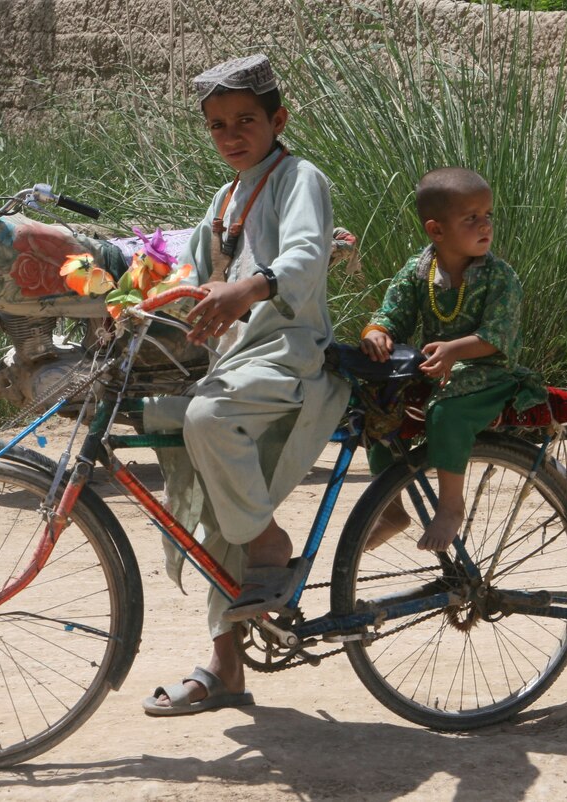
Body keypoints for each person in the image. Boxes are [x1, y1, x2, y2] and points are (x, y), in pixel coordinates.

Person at [140, 54, 349, 715]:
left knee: (205, 422)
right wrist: (130, 285)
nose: (231, 135)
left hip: (290, 360)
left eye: (245, 121)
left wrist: (247, 289)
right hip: (236, 366)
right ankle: (224, 668)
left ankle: (266, 541)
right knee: (185, 457)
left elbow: (308, 255)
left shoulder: (299, 179)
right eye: (217, 125)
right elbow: (189, 267)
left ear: (277, 120)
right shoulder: (224, 199)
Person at [360, 167, 546, 551]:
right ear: (436, 231)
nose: (485, 226)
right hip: (436, 368)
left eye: (488, 215)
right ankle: (392, 509)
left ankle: (450, 507)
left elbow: (498, 336)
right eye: (471, 218)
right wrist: (378, 332)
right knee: (374, 405)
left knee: (445, 412)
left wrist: (454, 350)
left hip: (488, 373)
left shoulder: (499, 277)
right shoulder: (419, 272)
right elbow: (393, 314)